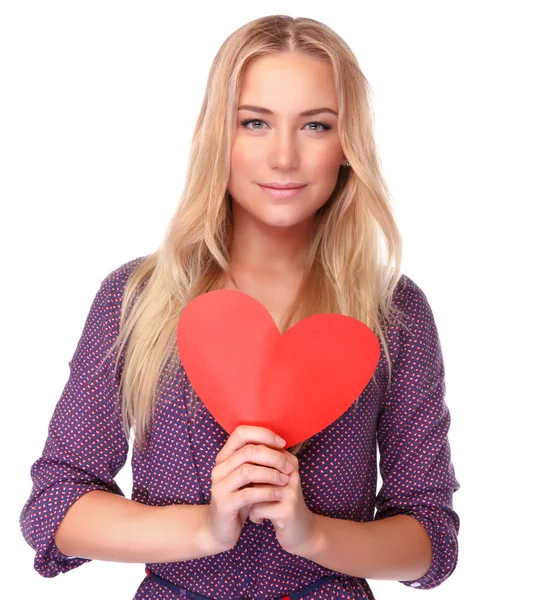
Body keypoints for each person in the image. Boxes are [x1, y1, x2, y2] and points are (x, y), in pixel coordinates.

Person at [19, 14, 460, 600]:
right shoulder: (136, 300)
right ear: (217, 137)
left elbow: (430, 537)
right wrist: (206, 527)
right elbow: (55, 508)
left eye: (315, 125)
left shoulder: (394, 314)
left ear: (347, 145)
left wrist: (311, 535)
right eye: (254, 122)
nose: (283, 157)